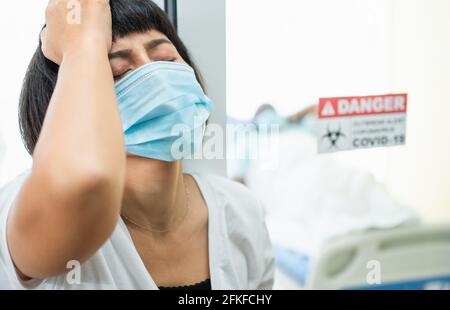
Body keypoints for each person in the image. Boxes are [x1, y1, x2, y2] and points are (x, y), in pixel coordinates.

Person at [0, 0, 274, 290]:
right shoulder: (22, 207)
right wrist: (82, 42)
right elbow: (82, 178)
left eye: (167, 59)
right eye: (118, 71)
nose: (156, 77)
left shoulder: (240, 211)